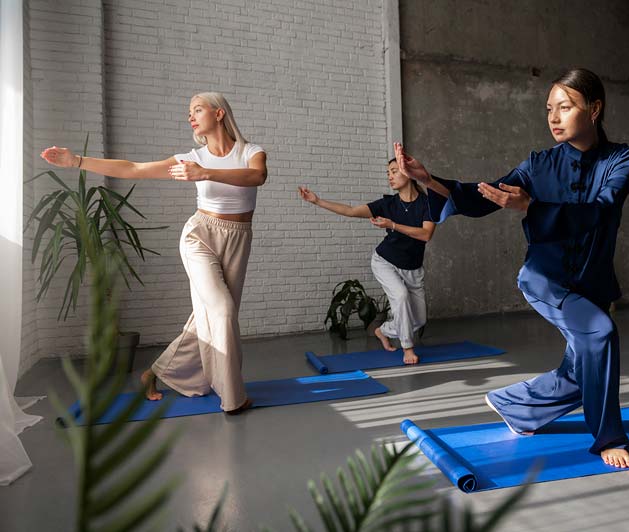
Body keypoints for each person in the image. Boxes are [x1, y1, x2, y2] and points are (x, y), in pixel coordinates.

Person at [392, 68, 629, 468]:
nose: (554, 117)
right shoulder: (538, 164)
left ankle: (516, 405)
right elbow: (483, 196)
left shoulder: (622, 158)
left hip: (592, 283)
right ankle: (608, 437)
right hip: (545, 279)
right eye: (549, 109)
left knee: (583, 370)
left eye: (565, 107)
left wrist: (531, 208)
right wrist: (430, 180)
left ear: (594, 109)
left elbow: (601, 211)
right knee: (600, 333)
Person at [40, 92, 267, 415]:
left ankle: (153, 373)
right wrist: (77, 161)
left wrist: (205, 173)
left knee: (206, 318)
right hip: (199, 236)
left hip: (239, 238)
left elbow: (257, 176)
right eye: (188, 111)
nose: (190, 116)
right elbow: (135, 168)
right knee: (223, 311)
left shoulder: (251, 151)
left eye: (197, 109)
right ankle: (233, 398)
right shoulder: (191, 157)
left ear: (219, 114)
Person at [298, 158, 435, 364]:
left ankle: (383, 330)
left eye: (394, 171)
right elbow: (351, 211)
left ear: (409, 173)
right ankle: (407, 348)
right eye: (388, 172)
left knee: (419, 319)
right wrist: (317, 201)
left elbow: (425, 234)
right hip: (385, 262)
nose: (390, 176)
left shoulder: (428, 204)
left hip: (413, 268)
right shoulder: (387, 204)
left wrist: (393, 224)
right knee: (400, 296)